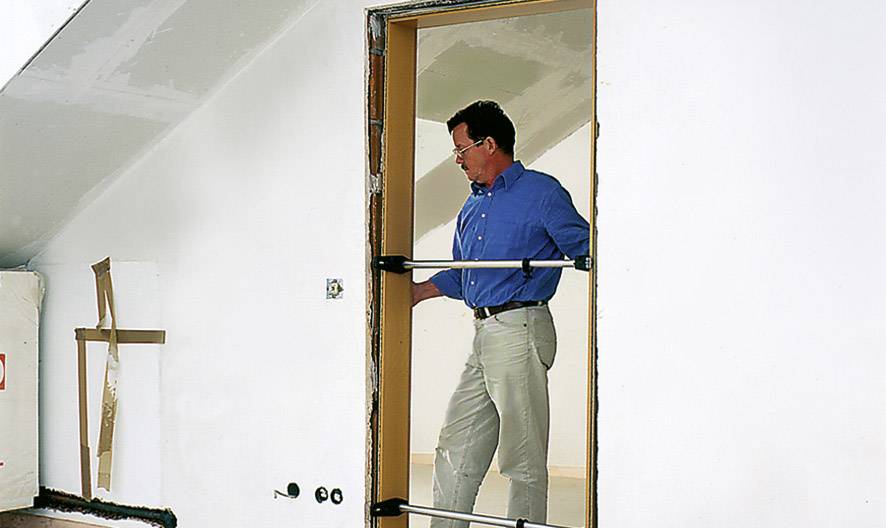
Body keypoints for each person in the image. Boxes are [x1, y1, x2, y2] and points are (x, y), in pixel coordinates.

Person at [412, 100, 590, 527]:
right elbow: (464, 277)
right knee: (456, 446)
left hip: (521, 327)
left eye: (462, 148)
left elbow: (586, 248)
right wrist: (418, 292)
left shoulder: (542, 192)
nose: (457, 159)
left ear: (489, 144)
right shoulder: (471, 209)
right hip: (484, 334)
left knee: (521, 457)